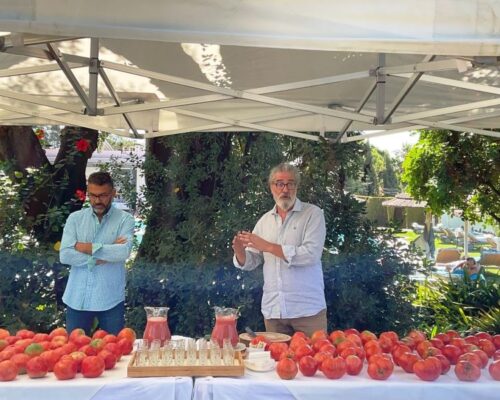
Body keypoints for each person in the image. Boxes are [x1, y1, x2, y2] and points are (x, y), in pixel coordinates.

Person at [232, 163, 327, 337]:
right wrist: (240, 253)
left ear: (296, 187)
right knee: (276, 364)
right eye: (279, 183)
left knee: (316, 362)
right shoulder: (264, 221)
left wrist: (268, 246)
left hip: (307, 312)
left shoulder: (313, 214)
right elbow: (253, 260)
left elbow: (311, 255)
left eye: (290, 183)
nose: (285, 189)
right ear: (271, 187)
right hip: (274, 312)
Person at [60, 171, 135, 335]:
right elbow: (65, 255)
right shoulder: (75, 219)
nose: (97, 201)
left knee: (115, 353)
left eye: (103, 195)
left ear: (113, 193)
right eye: (92, 195)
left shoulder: (125, 219)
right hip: (77, 298)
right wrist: (102, 255)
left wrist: (87, 247)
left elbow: (123, 252)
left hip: (109, 298)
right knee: (75, 352)